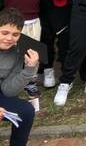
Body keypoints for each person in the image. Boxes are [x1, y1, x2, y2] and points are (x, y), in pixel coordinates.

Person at [0, 8, 39, 146]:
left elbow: (8, 90)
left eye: (15, 34)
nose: (9, 38)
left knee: (26, 111)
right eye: (4, 33)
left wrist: (29, 70)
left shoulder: (17, 51)